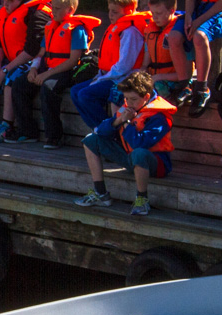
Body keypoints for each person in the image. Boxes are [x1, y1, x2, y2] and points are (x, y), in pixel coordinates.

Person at [74, 70, 175, 214]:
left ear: (146, 97)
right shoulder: (128, 108)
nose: (129, 103)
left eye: (133, 99)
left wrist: (127, 123)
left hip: (156, 165)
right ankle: (100, 193)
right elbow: (101, 131)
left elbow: (140, 144)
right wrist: (118, 121)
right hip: (130, 158)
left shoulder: (160, 116)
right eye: (126, 98)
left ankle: (142, 200)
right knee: (91, 140)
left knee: (139, 153)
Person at [11, 0, 97, 148]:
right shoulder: (51, 26)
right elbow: (41, 53)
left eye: (57, 8)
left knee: (48, 87)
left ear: (70, 9)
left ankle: (54, 136)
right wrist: (34, 69)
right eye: (52, 7)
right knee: (19, 85)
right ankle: (27, 131)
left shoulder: (76, 29)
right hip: (48, 69)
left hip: (67, 71)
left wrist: (46, 75)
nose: (53, 11)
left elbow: (73, 61)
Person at [0, 0, 52, 141]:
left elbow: (32, 50)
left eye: (10, 1)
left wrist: (6, 69)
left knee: (11, 78)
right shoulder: (6, 13)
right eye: (4, 0)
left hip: (31, 62)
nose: (5, 4)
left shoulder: (36, 13)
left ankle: (7, 124)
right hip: (10, 60)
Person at [71, 0, 147, 132]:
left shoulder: (130, 32)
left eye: (115, 12)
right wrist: (100, 76)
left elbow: (124, 66)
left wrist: (101, 79)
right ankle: (98, 129)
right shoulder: (116, 27)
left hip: (123, 79)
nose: (110, 15)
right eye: (110, 11)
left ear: (128, 11)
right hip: (109, 76)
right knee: (75, 91)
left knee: (85, 95)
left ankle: (109, 132)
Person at [138, 0, 191, 99]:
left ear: (171, 11)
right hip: (155, 77)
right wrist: (141, 74)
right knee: (123, 89)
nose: (154, 17)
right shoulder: (150, 30)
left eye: (159, 13)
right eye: (152, 13)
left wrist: (158, 77)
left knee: (154, 89)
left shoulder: (179, 33)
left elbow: (185, 74)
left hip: (174, 81)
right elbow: (145, 64)